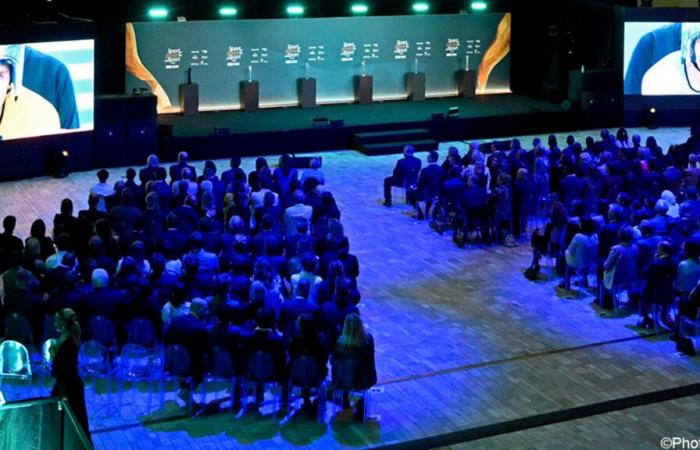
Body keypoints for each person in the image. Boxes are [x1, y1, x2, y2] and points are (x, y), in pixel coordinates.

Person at [50, 308, 91, 443]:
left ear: (63, 322)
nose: (55, 323)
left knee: (72, 423)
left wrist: (53, 355)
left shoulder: (66, 343)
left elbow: (57, 371)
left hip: (67, 388)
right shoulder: (69, 338)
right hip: (73, 385)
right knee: (79, 423)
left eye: (57, 320)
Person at [332, 313, 377, 420]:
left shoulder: (340, 343)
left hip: (344, 380)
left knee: (343, 369)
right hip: (364, 379)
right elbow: (371, 359)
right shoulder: (368, 340)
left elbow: (334, 361)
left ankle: (345, 401)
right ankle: (360, 405)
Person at [409, 150, 446, 220]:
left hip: (427, 193)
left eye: (428, 157)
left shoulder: (425, 170)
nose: (427, 158)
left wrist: (415, 188)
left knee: (410, 193)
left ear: (431, 158)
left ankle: (419, 214)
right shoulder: (442, 169)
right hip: (438, 193)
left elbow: (420, 185)